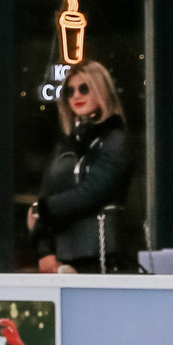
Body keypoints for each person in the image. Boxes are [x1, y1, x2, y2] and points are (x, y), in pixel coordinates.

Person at [28, 60, 134, 273]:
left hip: (102, 258)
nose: (76, 95)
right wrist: (45, 251)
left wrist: (45, 209)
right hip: (63, 259)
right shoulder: (68, 144)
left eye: (84, 88)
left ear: (100, 90)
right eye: (70, 91)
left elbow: (94, 191)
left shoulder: (115, 139)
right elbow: (45, 195)